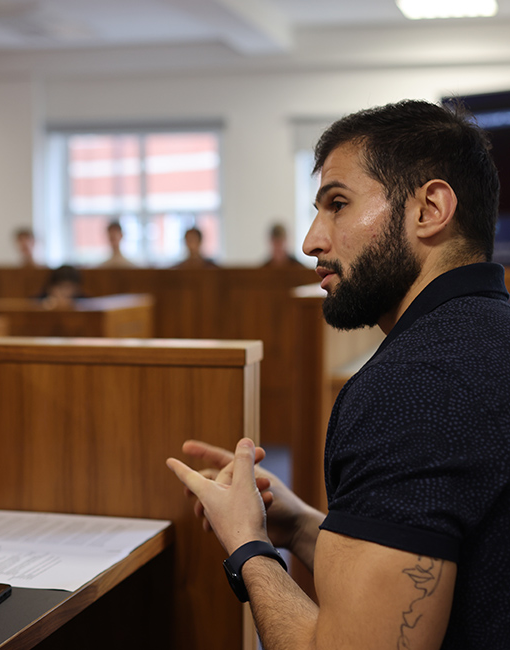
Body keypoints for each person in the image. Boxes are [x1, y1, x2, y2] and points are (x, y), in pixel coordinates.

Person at [167, 99, 510, 648]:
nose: (311, 242)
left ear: (429, 209)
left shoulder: (412, 386)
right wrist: (304, 524)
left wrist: (248, 545)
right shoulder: (488, 337)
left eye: (338, 204)